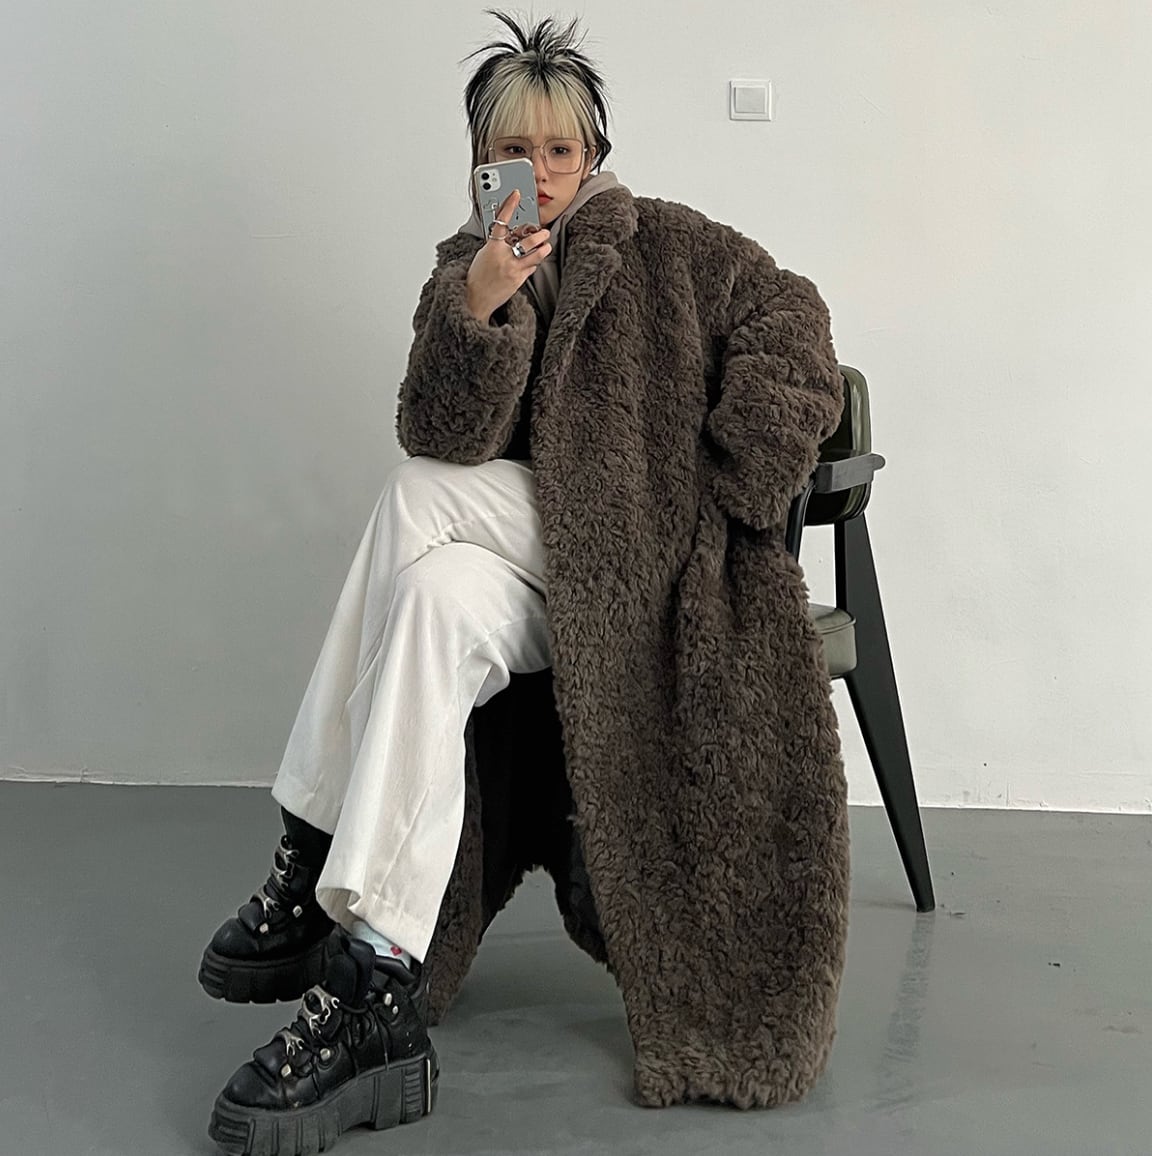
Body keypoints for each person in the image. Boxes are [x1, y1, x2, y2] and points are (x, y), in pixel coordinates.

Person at [200, 9, 848, 1155]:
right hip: (539, 583)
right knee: (432, 595)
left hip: (647, 561)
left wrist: (733, 478)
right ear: (480, 161)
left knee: (412, 497)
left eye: (561, 149)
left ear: (594, 153)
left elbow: (794, 319)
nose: (541, 173)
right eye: (516, 151)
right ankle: (376, 978)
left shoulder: (673, 246)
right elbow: (443, 432)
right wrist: (483, 306)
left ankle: (307, 844)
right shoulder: (465, 269)